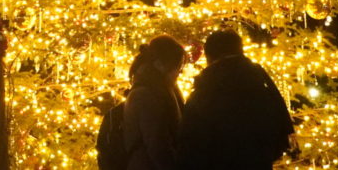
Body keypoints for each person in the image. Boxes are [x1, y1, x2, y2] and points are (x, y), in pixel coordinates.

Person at [176, 30, 293, 170]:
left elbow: (192, 139)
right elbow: (279, 128)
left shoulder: (208, 87)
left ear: (209, 56)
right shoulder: (259, 81)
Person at [123, 35, 186, 170]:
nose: (179, 73)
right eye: (178, 67)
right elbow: (158, 145)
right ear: (163, 66)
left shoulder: (159, 90)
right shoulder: (146, 95)